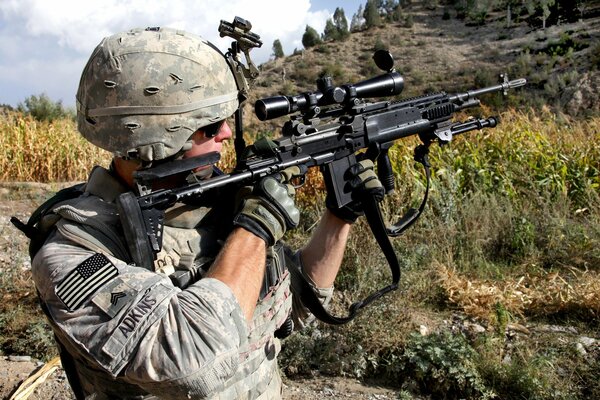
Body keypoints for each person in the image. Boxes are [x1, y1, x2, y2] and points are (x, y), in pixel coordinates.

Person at [29, 27, 381, 399]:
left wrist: (341, 214)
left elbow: (293, 306)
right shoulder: (74, 253)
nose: (227, 133)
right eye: (210, 126)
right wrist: (256, 226)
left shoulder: (209, 208)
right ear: (155, 138)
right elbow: (195, 362)